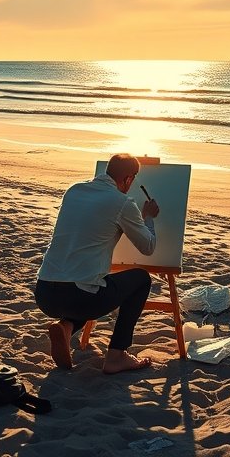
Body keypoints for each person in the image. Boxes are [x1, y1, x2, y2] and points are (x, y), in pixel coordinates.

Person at [34, 154, 160, 374]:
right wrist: (147, 217)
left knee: (89, 283)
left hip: (45, 293)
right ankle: (117, 355)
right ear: (129, 179)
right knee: (140, 279)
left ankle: (65, 328)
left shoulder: (74, 190)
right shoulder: (122, 202)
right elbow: (148, 247)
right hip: (80, 297)